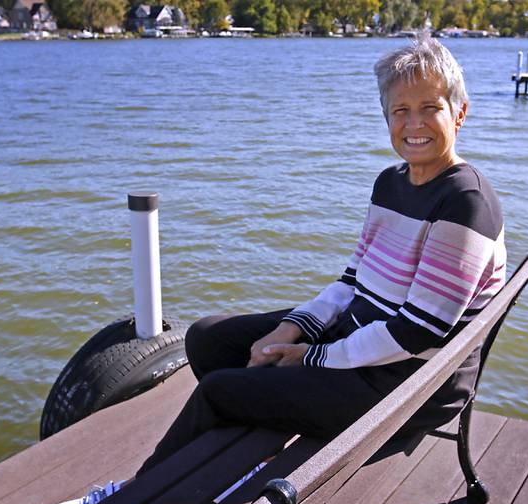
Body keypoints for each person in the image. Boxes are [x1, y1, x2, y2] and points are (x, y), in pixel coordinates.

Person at [137, 36, 506, 475]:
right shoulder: (391, 182)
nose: (414, 123)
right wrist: (291, 330)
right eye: (400, 110)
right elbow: (352, 282)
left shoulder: (466, 203)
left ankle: (139, 494)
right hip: (363, 339)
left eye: (430, 107)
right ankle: (241, 451)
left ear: (459, 113)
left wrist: (308, 358)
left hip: (409, 381)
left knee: (218, 390)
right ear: (386, 117)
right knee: (207, 337)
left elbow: (415, 334)